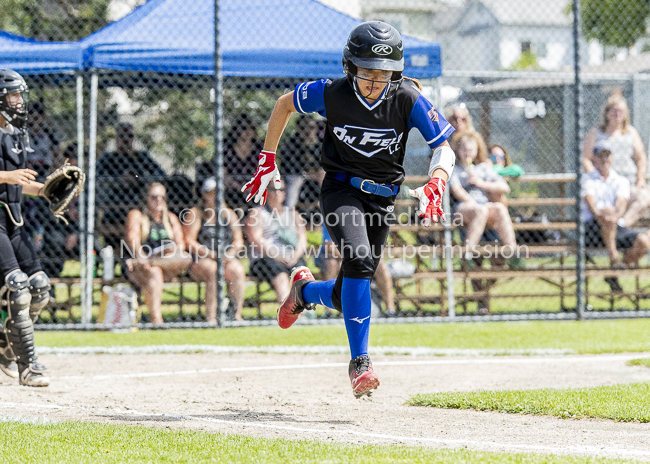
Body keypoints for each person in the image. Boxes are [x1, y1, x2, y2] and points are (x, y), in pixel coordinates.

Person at [241, 21, 455, 398]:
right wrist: (267, 157)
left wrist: (437, 179)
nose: (375, 83)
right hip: (341, 190)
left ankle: (305, 293)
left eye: (383, 76)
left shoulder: (406, 97)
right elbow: (283, 104)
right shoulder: (334, 93)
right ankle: (361, 364)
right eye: (366, 74)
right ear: (349, 67)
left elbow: (445, 147)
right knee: (356, 259)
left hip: (382, 199)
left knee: (349, 290)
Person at [0, 69, 53, 387]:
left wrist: (47, 189)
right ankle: (28, 365)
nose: (19, 102)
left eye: (21, 96)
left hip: (15, 221)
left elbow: (21, 184)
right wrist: (7, 177)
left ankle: (6, 348)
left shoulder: (17, 134)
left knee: (40, 287)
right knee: (17, 286)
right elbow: (9, 179)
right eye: (13, 96)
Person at [124, 182, 211, 324]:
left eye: (163, 197)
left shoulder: (170, 218)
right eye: (154, 197)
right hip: (141, 266)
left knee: (185, 257)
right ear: (146, 198)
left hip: (165, 263)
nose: (159, 201)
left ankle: (152, 263)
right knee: (155, 272)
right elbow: (133, 240)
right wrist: (142, 258)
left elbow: (180, 245)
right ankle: (157, 320)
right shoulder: (137, 215)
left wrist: (168, 251)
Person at [582, 140, 650, 292]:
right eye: (600, 156)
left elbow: (621, 207)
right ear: (594, 159)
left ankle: (615, 271)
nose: (604, 159)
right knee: (607, 219)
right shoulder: (587, 179)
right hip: (591, 229)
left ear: (611, 158)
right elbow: (592, 207)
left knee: (644, 242)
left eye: (607, 155)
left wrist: (611, 214)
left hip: (615, 226)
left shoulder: (620, 180)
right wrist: (605, 214)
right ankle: (613, 257)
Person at [96, 122, 167, 250]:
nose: (126, 140)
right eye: (122, 136)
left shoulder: (141, 157)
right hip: (114, 208)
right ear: (117, 138)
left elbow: (161, 175)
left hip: (140, 206)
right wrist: (119, 181)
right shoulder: (108, 158)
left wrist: (139, 179)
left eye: (129, 136)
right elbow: (97, 178)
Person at [582, 92, 650, 227]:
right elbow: (585, 158)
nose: (617, 114)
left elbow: (641, 157)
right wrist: (597, 177)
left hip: (628, 183)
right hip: (605, 185)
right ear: (606, 113)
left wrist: (640, 179)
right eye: (613, 110)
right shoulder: (596, 132)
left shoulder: (630, 132)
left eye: (620, 111)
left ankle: (621, 225)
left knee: (645, 197)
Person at [183, 177, 246, 322]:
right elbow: (189, 241)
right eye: (211, 193)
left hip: (225, 257)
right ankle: (211, 318)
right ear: (204, 194)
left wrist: (229, 254)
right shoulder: (196, 213)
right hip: (201, 259)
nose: (215, 196)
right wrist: (212, 254)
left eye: (218, 192)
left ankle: (235, 315)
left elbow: (238, 240)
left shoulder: (229, 214)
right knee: (213, 271)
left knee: (237, 270)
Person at [449, 132, 518, 262]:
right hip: (463, 207)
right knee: (481, 210)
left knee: (500, 208)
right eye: (464, 150)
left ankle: (512, 250)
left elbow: (505, 187)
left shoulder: (483, 168)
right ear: (458, 151)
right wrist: (472, 202)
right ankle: (468, 252)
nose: (467, 153)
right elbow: (456, 189)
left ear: (476, 151)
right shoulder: (455, 170)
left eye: (471, 150)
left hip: (483, 204)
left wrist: (481, 183)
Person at [244, 180, 308, 304]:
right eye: (274, 189)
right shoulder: (257, 213)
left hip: (291, 257)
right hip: (265, 258)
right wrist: (277, 256)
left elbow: (302, 240)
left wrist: (295, 256)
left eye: (281, 190)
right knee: (282, 277)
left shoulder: (293, 213)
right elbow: (255, 240)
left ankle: (302, 315)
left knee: (302, 276)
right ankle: (288, 315)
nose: (278, 193)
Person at [316, 225, 395, 318]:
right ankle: (328, 312)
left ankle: (390, 310)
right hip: (335, 256)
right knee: (332, 264)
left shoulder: (364, 218)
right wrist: (354, 257)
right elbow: (330, 248)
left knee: (381, 265)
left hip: (360, 256)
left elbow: (374, 245)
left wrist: (360, 257)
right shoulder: (334, 215)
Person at [222, 114, 265, 211]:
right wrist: (241, 187)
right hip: (232, 188)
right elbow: (223, 175)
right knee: (230, 195)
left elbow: (263, 172)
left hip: (254, 187)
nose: (248, 131)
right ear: (237, 130)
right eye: (244, 128)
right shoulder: (227, 147)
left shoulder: (259, 148)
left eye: (251, 128)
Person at [279, 115, 322, 210]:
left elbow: (322, 170)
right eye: (303, 127)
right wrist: (311, 174)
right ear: (298, 129)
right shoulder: (290, 146)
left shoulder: (319, 146)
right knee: (295, 180)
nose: (308, 131)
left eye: (311, 127)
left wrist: (314, 173)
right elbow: (292, 171)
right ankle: (289, 210)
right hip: (295, 183)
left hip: (315, 183)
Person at [26, 101, 60, 180]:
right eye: (32, 114)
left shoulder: (50, 134)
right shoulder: (23, 134)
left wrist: (54, 169)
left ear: (43, 116)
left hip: (46, 168)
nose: (35, 117)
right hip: (28, 168)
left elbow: (57, 152)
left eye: (39, 114)